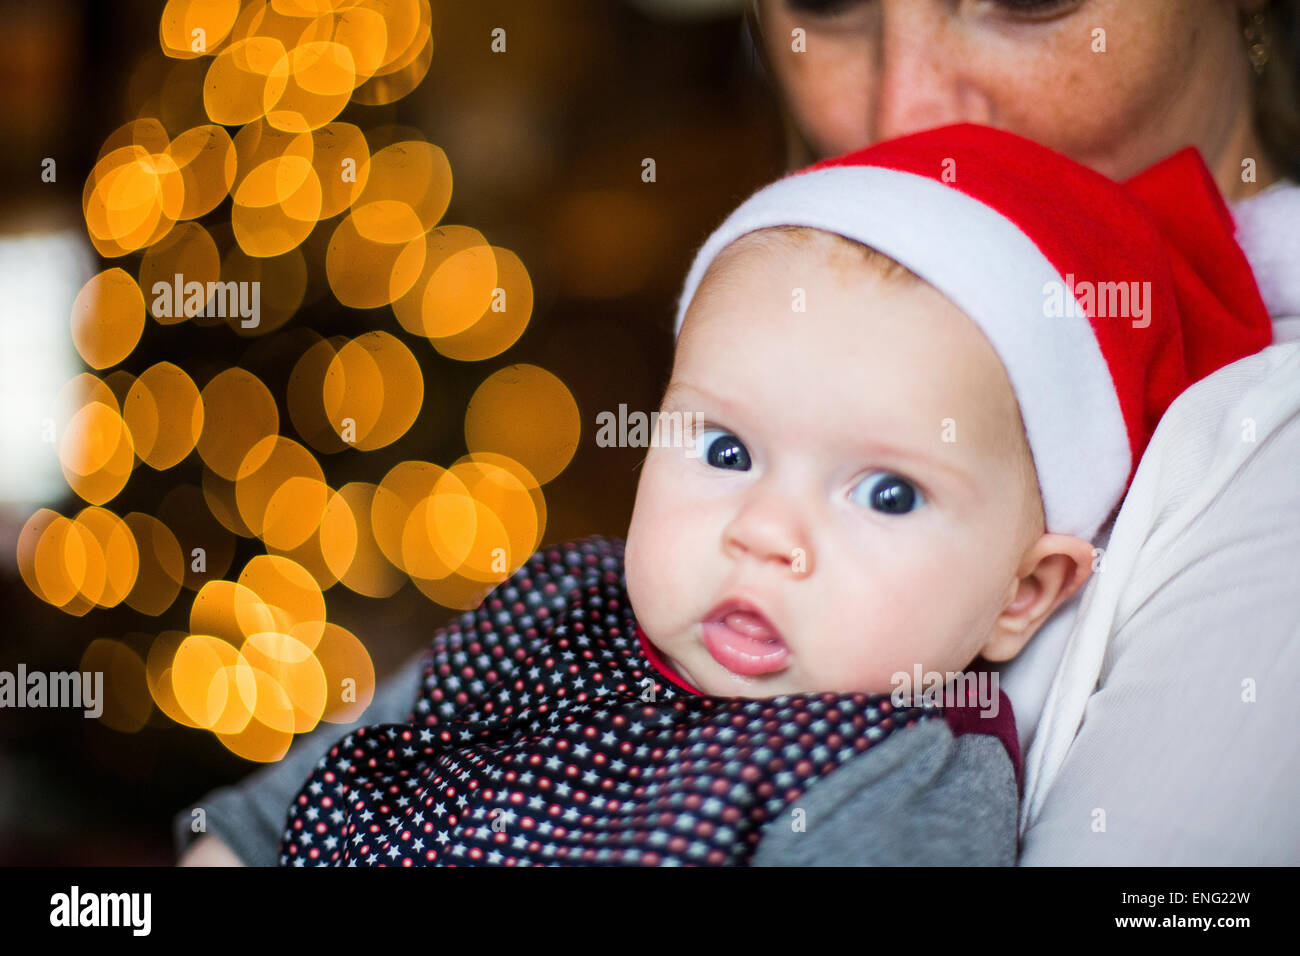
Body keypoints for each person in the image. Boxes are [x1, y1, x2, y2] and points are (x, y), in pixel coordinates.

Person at [179, 0, 1300, 865]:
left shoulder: (890, 774)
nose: (908, 107)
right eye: (724, 451)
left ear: (1026, 588)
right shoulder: (557, 606)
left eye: (890, 492)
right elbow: (285, 802)